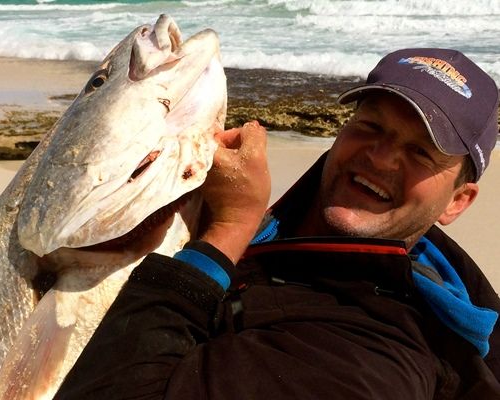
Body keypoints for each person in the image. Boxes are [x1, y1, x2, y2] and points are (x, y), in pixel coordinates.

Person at [55, 49, 500, 399]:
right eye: (370, 127)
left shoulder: (372, 369)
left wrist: (230, 227)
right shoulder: (305, 231)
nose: (380, 157)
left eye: (421, 152)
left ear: (458, 201)